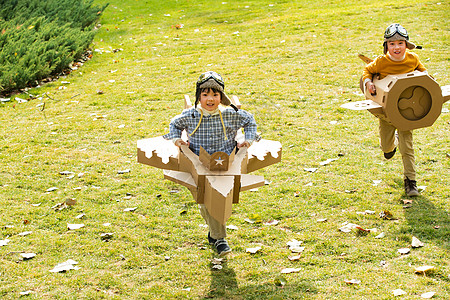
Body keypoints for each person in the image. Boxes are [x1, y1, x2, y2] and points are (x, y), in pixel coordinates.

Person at [164, 71, 260, 256]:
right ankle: (216, 236)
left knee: (217, 198)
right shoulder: (190, 115)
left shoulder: (230, 114)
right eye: (205, 94)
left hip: (224, 163)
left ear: (221, 97)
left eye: (215, 95)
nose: (210, 99)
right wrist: (177, 139)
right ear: (199, 97)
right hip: (199, 162)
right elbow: (174, 124)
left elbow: (249, 121)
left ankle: (218, 237)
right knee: (204, 201)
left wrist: (247, 140)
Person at [362, 23, 426, 197]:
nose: (396, 47)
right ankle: (391, 145)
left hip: (406, 112)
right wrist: (369, 83)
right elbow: (367, 71)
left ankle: (411, 182)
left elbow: (424, 75)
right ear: (386, 46)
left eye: (400, 43)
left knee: (408, 148)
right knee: (386, 149)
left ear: (406, 44)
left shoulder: (412, 59)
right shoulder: (382, 62)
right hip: (386, 112)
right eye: (392, 44)